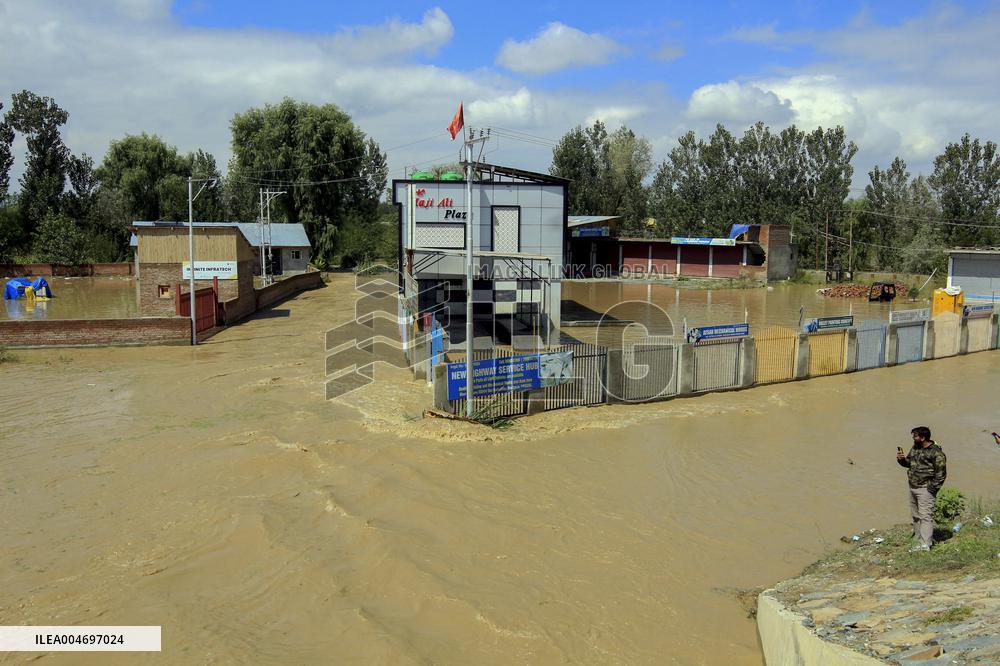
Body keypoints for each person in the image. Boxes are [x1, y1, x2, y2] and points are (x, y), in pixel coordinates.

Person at [896, 426, 947, 552]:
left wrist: (931, 489)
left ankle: (925, 545)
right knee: (916, 516)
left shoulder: (936, 453)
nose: (913, 438)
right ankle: (918, 540)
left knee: (925, 517)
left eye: (915, 436)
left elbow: (941, 474)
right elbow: (909, 463)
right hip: (913, 487)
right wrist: (902, 460)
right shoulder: (915, 448)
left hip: (925, 489)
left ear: (923, 438)